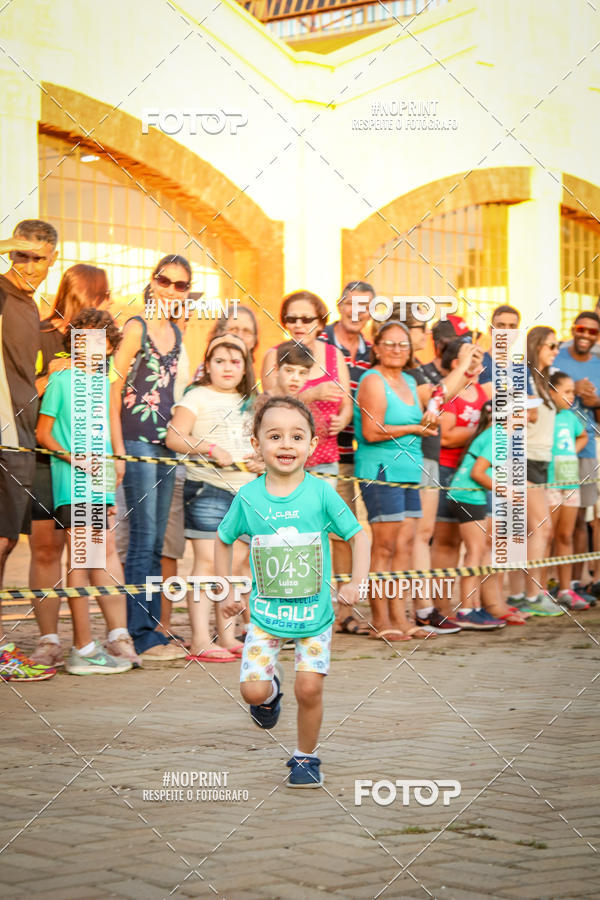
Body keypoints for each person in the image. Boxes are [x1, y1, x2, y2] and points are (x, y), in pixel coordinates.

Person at [216, 396, 370, 788]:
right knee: (252, 692)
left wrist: (356, 582)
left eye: (296, 436)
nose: (286, 444)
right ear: (257, 444)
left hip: (314, 615)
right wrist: (227, 588)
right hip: (266, 616)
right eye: (275, 436)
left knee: (309, 687)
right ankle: (270, 693)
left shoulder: (321, 493)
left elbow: (358, 536)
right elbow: (223, 538)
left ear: (312, 444)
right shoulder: (249, 497)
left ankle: (306, 757)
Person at [36, 308, 140, 674]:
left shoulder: (103, 384)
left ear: (110, 346)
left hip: (99, 486)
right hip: (72, 484)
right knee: (81, 560)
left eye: (100, 339)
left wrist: (111, 477)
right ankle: (83, 648)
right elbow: (43, 434)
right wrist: (73, 458)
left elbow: (106, 433)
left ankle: (90, 646)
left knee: (92, 558)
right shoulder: (61, 381)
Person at [30, 264, 112, 667]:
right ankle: (51, 639)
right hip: (42, 458)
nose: (104, 302)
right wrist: (52, 374)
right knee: (47, 548)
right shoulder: (40, 333)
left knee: (87, 553)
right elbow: (22, 389)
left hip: (91, 474)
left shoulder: (101, 353)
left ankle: (91, 642)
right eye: (99, 295)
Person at [110, 254, 191, 660]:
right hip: (136, 442)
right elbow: (113, 387)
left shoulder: (176, 332)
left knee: (157, 542)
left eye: (181, 284)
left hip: (166, 445)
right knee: (142, 539)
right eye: (165, 280)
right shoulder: (135, 328)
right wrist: (117, 449)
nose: (171, 289)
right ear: (153, 281)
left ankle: (153, 630)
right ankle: (138, 633)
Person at [166, 333, 262, 661]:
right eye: (219, 361)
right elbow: (175, 437)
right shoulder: (197, 396)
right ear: (207, 365)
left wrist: (261, 460)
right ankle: (200, 639)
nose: (227, 368)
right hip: (208, 490)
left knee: (234, 565)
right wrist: (209, 448)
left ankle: (228, 635)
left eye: (235, 362)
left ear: (245, 367)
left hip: (245, 494)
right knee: (207, 564)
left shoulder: (251, 400)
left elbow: (260, 442)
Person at [354, 321, 438, 641]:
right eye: (388, 343)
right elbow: (372, 432)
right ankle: (380, 620)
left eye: (402, 344)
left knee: (405, 546)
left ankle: (400, 618)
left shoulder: (410, 381)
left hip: (409, 470)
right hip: (381, 470)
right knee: (385, 547)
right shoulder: (372, 380)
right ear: (376, 348)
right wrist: (414, 428)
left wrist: (428, 422)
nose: (396, 349)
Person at [0, 220, 58, 682]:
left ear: (53, 259)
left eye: (39, 257)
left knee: (5, 543)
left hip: (20, 437)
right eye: (21, 255)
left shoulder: (31, 305)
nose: (29, 266)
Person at [319, 281, 373, 633]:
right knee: (315, 531)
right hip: (318, 451)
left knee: (343, 532)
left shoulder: (373, 351)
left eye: (365, 306)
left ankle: (342, 611)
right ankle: (316, 608)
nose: (357, 312)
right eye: (352, 304)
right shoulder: (320, 341)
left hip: (354, 453)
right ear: (340, 306)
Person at [447, 400, 529, 629]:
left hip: (471, 496)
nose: (526, 416)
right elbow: (478, 472)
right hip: (467, 495)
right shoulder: (498, 435)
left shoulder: (498, 434)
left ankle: (474, 607)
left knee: (479, 551)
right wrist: (507, 491)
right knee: (475, 552)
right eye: (521, 412)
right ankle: (466, 610)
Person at [431, 338, 493, 618]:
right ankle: (440, 608)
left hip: (471, 478)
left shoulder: (481, 393)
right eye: (474, 360)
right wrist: (482, 433)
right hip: (446, 472)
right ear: (458, 363)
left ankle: (470, 606)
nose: (480, 367)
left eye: (481, 361)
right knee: (445, 542)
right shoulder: (449, 394)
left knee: (470, 544)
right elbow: (445, 437)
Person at [510, 327, 563, 617]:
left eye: (557, 345)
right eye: (551, 346)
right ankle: (532, 595)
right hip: (523, 457)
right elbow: (511, 413)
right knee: (542, 528)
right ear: (536, 345)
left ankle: (519, 594)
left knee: (527, 531)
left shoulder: (544, 379)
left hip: (541, 459)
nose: (556, 351)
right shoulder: (522, 375)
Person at [555, 312, 600, 599]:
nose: (585, 335)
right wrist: (572, 389)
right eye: (581, 329)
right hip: (556, 449)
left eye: (593, 332)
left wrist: (597, 402)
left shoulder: (598, 364)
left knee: (581, 518)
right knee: (556, 519)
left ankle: (575, 584)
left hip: (587, 448)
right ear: (573, 329)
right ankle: (553, 581)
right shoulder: (557, 357)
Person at [547, 371, 591, 610]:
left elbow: (583, 435)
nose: (572, 396)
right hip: (549, 482)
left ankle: (566, 589)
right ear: (551, 392)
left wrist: (572, 450)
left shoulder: (570, 416)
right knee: (546, 536)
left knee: (565, 535)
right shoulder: (545, 415)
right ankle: (540, 590)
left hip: (570, 482)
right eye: (566, 392)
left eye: (573, 392)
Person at [478, 305, 521, 384]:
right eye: (500, 325)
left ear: (517, 332)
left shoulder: (521, 372)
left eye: (512, 326)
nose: (506, 331)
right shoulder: (477, 365)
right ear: (490, 330)